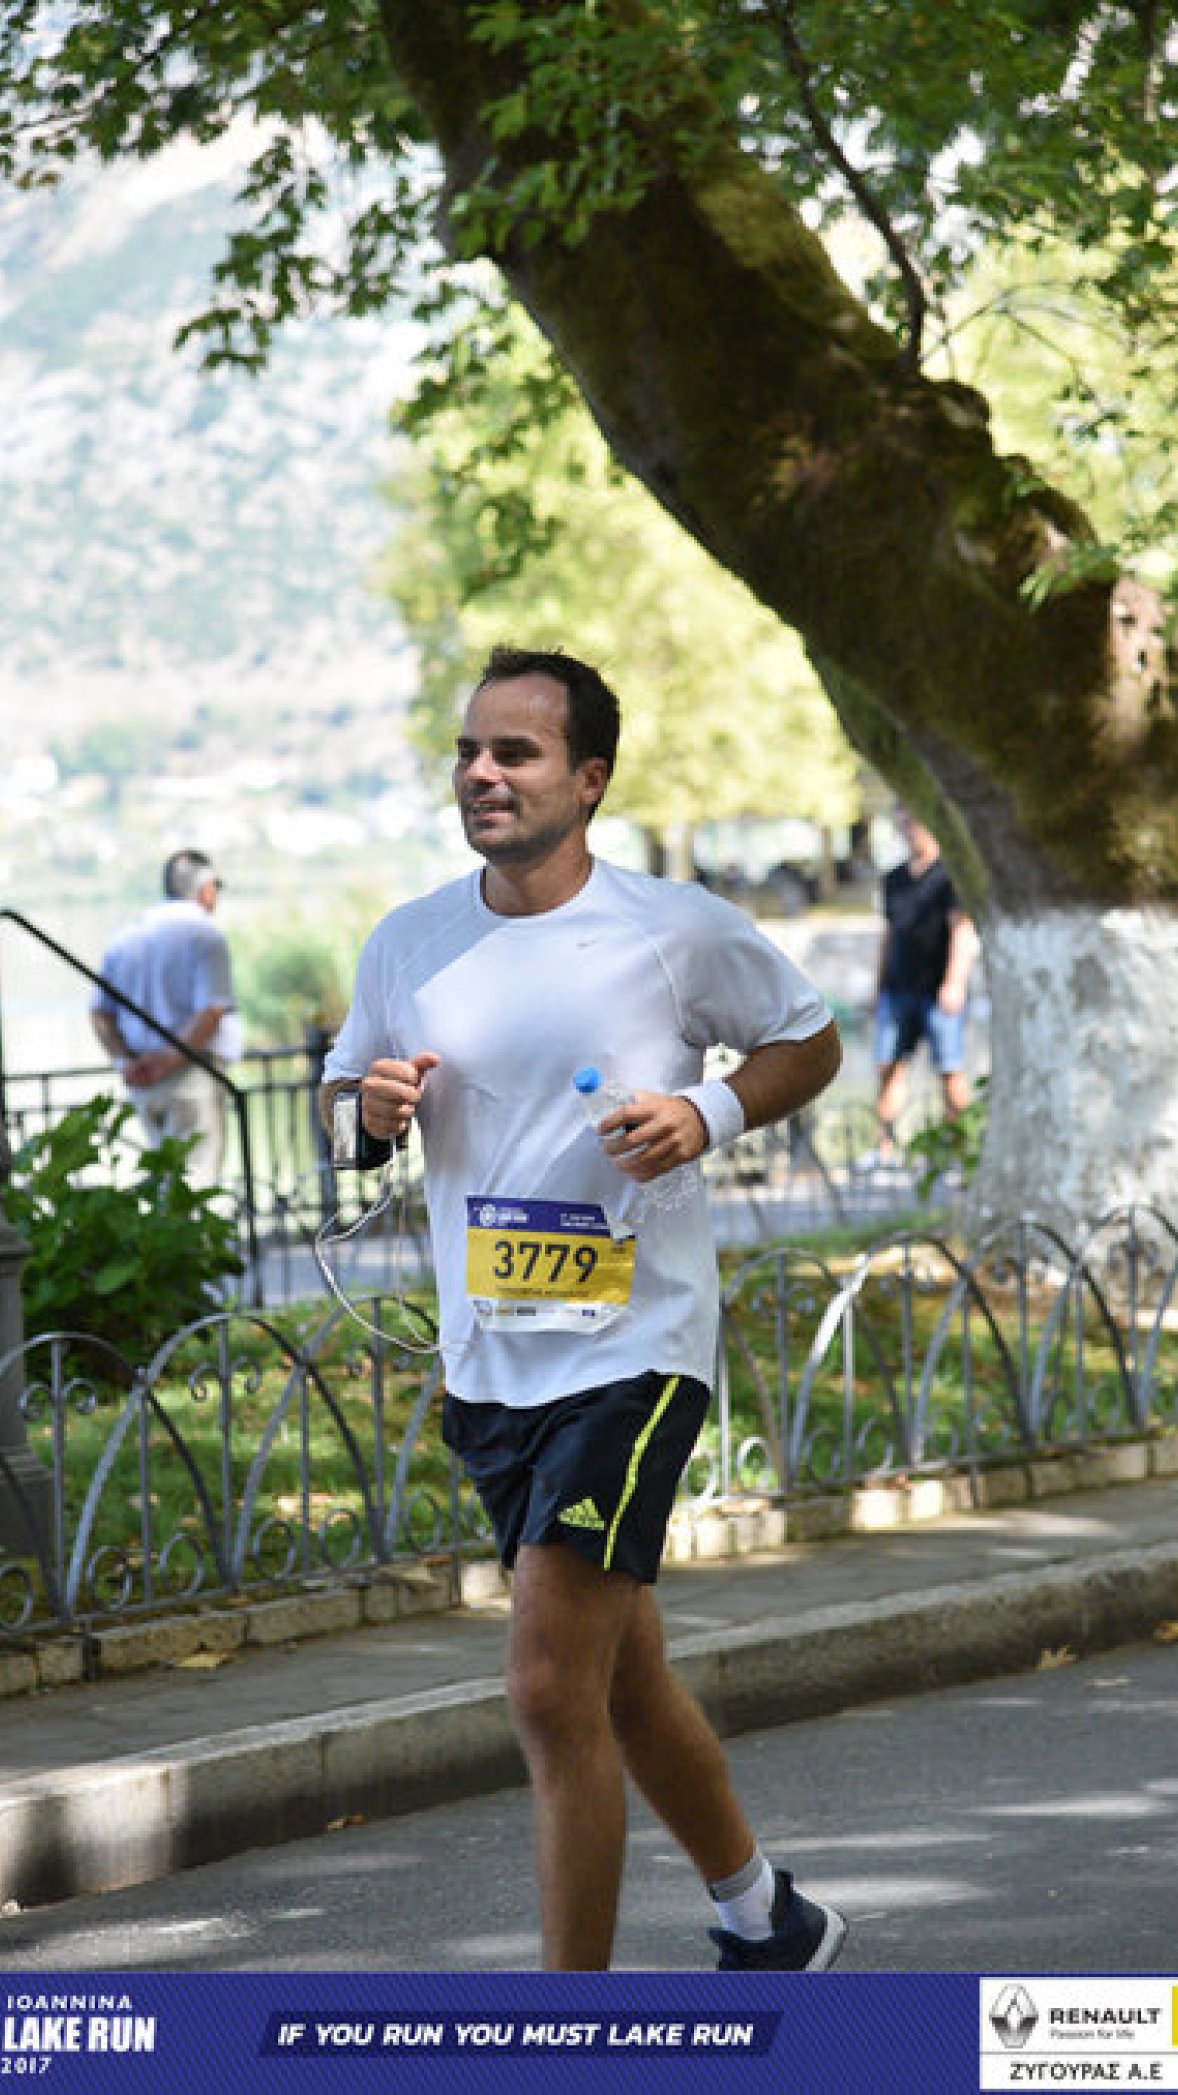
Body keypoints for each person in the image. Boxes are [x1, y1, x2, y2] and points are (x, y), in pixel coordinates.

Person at [320, 644, 847, 1973]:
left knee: (549, 1687)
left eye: (516, 751)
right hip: (491, 1359)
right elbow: (341, 1105)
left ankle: (567, 2029)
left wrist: (706, 1110)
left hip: (634, 1349)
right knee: (621, 1675)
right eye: (467, 750)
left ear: (589, 778)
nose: (481, 773)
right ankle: (766, 1917)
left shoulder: (672, 927)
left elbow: (808, 1037)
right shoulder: (410, 939)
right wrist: (365, 1115)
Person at [90, 848, 240, 1185]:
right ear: (206, 889)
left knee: (164, 1182)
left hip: (141, 1080)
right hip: (190, 1075)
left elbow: (99, 1012)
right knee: (196, 1182)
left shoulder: (126, 936)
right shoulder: (205, 934)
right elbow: (211, 1011)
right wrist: (169, 1060)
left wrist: (125, 1061)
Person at [872, 808, 979, 1159]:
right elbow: (889, 934)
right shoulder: (893, 879)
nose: (910, 830)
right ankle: (883, 1149)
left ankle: (961, 1149)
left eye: (915, 822)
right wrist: (878, 985)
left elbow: (962, 929)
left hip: (937, 991)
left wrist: (955, 982)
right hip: (898, 988)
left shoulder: (950, 876)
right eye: (903, 823)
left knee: (949, 1069)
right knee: (889, 1067)